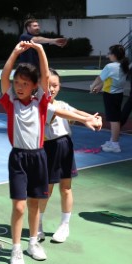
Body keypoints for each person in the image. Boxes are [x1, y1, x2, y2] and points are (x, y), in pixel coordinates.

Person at [0, 40, 50, 264]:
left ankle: (33, 243)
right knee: (19, 206)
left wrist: (40, 49)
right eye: (17, 83)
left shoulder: (41, 102)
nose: (19, 87)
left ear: (34, 86)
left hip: (38, 157)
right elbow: (4, 76)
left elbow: (46, 76)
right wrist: (14, 52)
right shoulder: (11, 102)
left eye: (25, 84)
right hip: (18, 158)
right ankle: (16, 249)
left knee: (34, 204)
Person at [38, 69, 102, 244]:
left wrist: (93, 118)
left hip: (65, 146)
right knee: (46, 190)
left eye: (55, 85)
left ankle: (64, 225)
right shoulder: (40, 105)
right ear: (40, 85)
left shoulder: (62, 104)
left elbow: (77, 112)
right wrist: (86, 120)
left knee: (66, 188)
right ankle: (38, 224)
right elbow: (61, 113)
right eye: (47, 85)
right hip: (48, 148)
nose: (51, 89)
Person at [90, 44, 130, 153]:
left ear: (115, 55)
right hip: (118, 94)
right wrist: (100, 87)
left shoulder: (110, 66)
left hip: (111, 95)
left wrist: (92, 86)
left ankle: (115, 144)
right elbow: (111, 80)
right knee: (115, 118)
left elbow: (99, 78)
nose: (108, 56)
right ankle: (113, 140)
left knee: (114, 120)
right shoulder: (123, 66)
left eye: (110, 53)